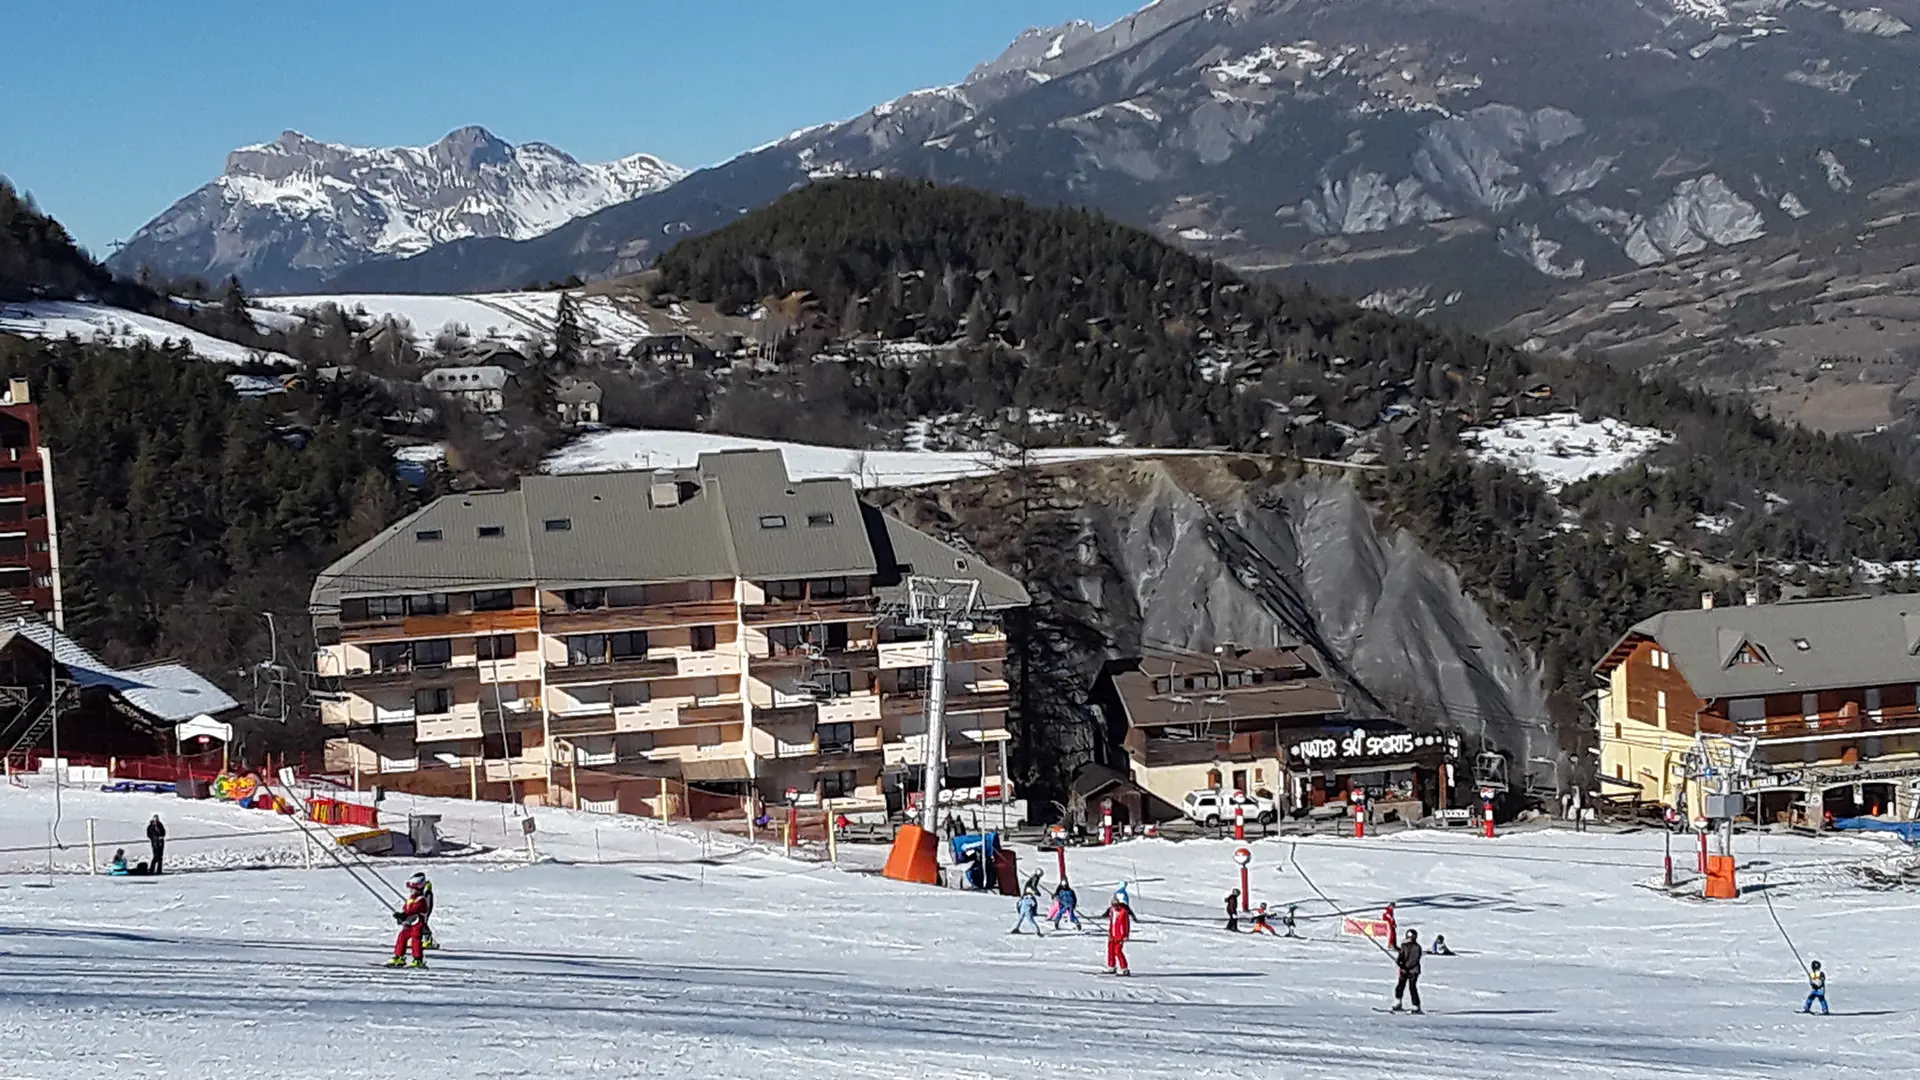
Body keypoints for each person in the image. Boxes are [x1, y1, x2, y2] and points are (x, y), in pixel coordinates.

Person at [388, 874, 432, 968]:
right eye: (411, 889)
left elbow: (414, 910)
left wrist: (404, 915)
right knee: (402, 937)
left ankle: (418, 959)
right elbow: (406, 908)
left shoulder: (421, 900)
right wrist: (402, 916)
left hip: (417, 924)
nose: (412, 891)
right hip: (409, 923)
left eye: (414, 889)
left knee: (416, 941)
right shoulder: (411, 899)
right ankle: (399, 956)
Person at [1393, 928, 1423, 1014]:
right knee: (1400, 986)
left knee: (1412, 987)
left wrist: (1408, 968)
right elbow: (1401, 956)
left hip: (1413, 971)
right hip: (1404, 970)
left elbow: (1415, 959)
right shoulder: (1404, 946)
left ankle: (1416, 1006)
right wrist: (1400, 962)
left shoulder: (1417, 947)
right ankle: (1398, 1002)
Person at [1105, 898, 1133, 976]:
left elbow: (1126, 925)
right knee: (1110, 950)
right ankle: (1111, 966)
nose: (1115, 907)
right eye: (1113, 905)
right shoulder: (1111, 911)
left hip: (1120, 935)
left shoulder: (1123, 912)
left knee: (1117, 951)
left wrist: (1126, 935)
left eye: (1116, 905)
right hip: (1112, 934)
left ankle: (1124, 968)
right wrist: (1110, 933)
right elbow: (1111, 923)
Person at [411, 872, 438, 950]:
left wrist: (425, 911)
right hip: (420, 909)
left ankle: (428, 939)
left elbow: (428, 902)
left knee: (423, 923)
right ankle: (419, 939)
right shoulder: (420, 891)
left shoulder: (427, 892)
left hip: (425, 909)